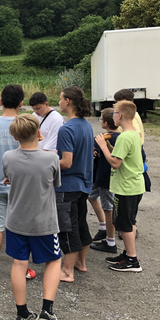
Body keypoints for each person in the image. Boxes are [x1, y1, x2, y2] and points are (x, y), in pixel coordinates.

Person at [2, 115, 62, 320]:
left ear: (15, 136)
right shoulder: (51, 158)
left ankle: (22, 314)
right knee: (54, 261)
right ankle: (47, 309)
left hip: (16, 221)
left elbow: (9, 176)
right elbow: (53, 183)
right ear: (39, 133)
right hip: (43, 222)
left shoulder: (8, 157)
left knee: (19, 264)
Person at [0, 84, 36, 281]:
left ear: (0, 101)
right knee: (21, 226)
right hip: (23, 186)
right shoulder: (31, 124)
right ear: (22, 103)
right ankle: (24, 268)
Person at [95, 101, 145, 272]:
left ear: (120, 115)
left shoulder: (124, 136)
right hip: (134, 185)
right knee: (128, 221)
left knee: (123, 223)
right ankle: (127, 253)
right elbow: (121, 154)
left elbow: (115, 163)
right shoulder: (133, 134)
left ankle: (132, 260)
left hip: (126, 187)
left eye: (115, 112)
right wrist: (109, 146)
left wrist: (102, 146)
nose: (113, 115)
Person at [56, 87, 94, 283]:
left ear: (68, 101)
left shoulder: (66, 129)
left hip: (67, 186)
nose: (59, 102)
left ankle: (67, 271)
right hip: (83, 184)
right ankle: (81, 262)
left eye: (61, 99)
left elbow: (66, 162)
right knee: (80, 223)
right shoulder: (86, 125)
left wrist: (49, 161)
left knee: (67, 227)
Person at [89, 108, 120, 253]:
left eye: (101, 119)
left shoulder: (106, 138)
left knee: (109, 208)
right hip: (98, 177)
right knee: (90, 196)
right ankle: (103, 227)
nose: (100, 121)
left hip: (107, 179)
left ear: (106, 123)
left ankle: (110, 242)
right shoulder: (115, 137)